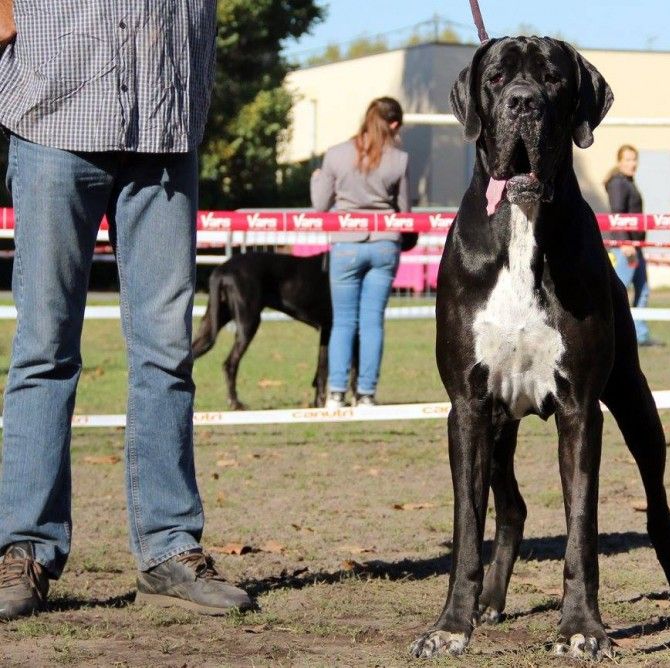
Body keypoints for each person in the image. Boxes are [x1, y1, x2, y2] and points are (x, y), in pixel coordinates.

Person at [0, 2, 252, 620]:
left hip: (166, 122)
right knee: (44, 347)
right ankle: (24, 549)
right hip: (55, 112)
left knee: (168, 351)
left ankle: (169, 548)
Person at [311, 97, 411, 409]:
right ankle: (366, 393)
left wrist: (316, 179)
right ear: (394, 124)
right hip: (384, 244)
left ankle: (336, 392)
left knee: (343, 322)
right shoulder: (400, 159)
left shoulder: (336, 154)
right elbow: (405, 210)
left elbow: (319, 205)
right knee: (372, 323)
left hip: (346, 245)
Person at [604, 145, 659, 346]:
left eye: (634, 159)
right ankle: (612, 334)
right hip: (625, 248)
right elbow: (617, 214)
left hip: (636, 246)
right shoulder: (618, 183)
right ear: (619, 162)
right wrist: (625, 243)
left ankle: (640, 335)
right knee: (619, 292)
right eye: (627, 159)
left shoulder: (628, 182)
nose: (632, 163)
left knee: (642, 290)